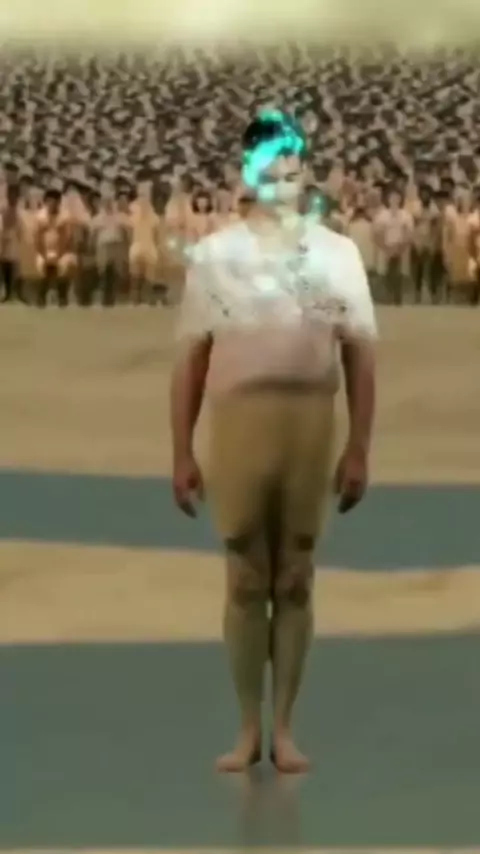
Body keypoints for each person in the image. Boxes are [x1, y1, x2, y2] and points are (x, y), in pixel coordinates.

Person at [170, 110, 377, 774]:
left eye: (292, 171)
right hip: (240, 421)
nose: (282, 184)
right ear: (248, 176)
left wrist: (359, 446)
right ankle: (246, 729)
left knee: (294, 575)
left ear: (305, 175)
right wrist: (181, 450)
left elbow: (360, 355)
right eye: (270, 172)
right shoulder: (216, 256)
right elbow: (192, 359)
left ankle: (283, 726)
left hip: (310, 422)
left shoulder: (337, 255)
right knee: (244, 576)